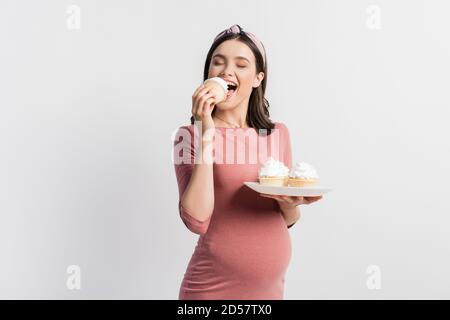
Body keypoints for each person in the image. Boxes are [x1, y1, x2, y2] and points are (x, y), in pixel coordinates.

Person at [172, 24, 322, 299]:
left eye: (241, 65)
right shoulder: (189, 136)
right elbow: (196, 219)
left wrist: (292, 203)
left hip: (269, 291)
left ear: (257, 78)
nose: (227, 71)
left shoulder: (277, 134)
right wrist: (206, 131)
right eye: (218, 62)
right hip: (211, 289)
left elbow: (287, 219)